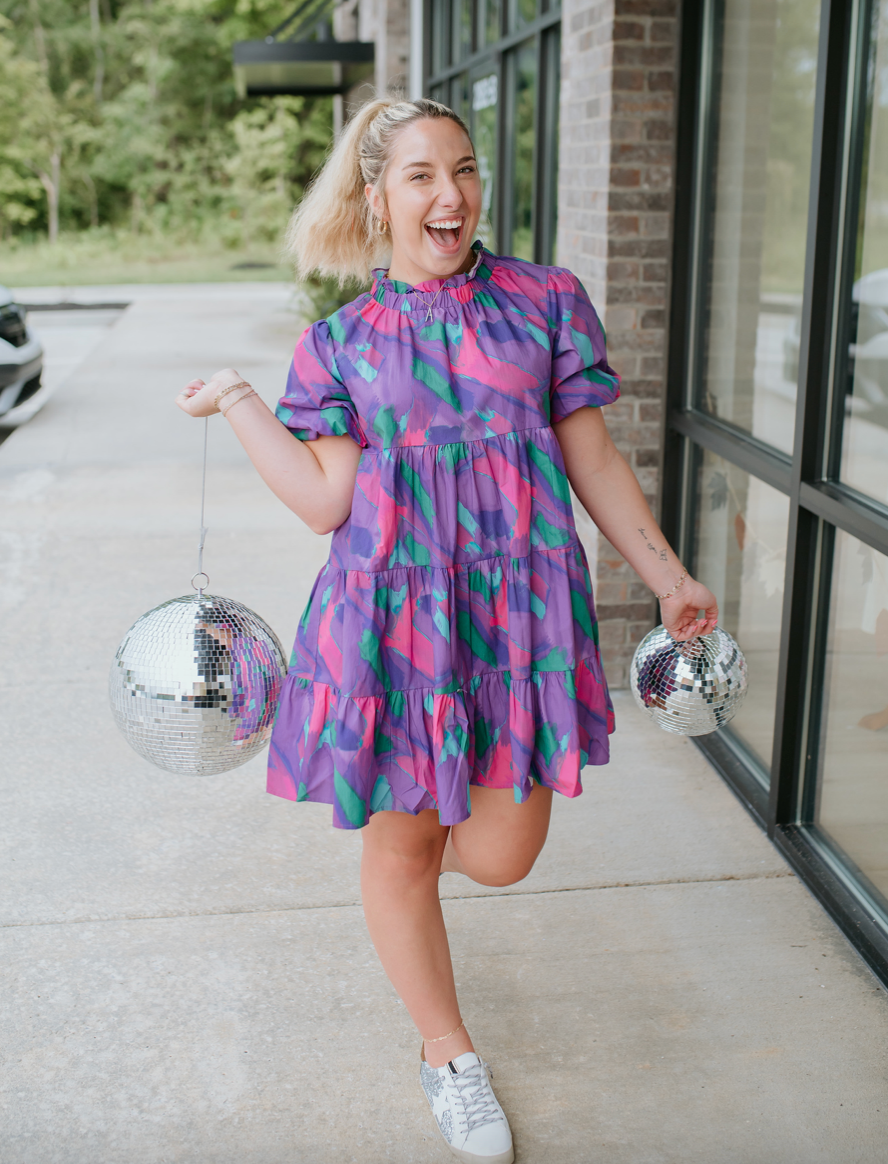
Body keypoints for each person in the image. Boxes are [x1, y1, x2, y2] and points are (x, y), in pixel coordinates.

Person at [176, 96, 718, 1164]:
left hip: (518, 626)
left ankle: (413, 869)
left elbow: (592, 457)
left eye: (463, 169)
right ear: (377, 198)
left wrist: (667, 576)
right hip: (388, 630)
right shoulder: (340, 344)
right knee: (404, 846)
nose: (451, 194)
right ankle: (447, 1054)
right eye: (421, 174)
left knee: (505, 853)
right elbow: (325, 502)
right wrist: (240, 401)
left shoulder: (544, 302)